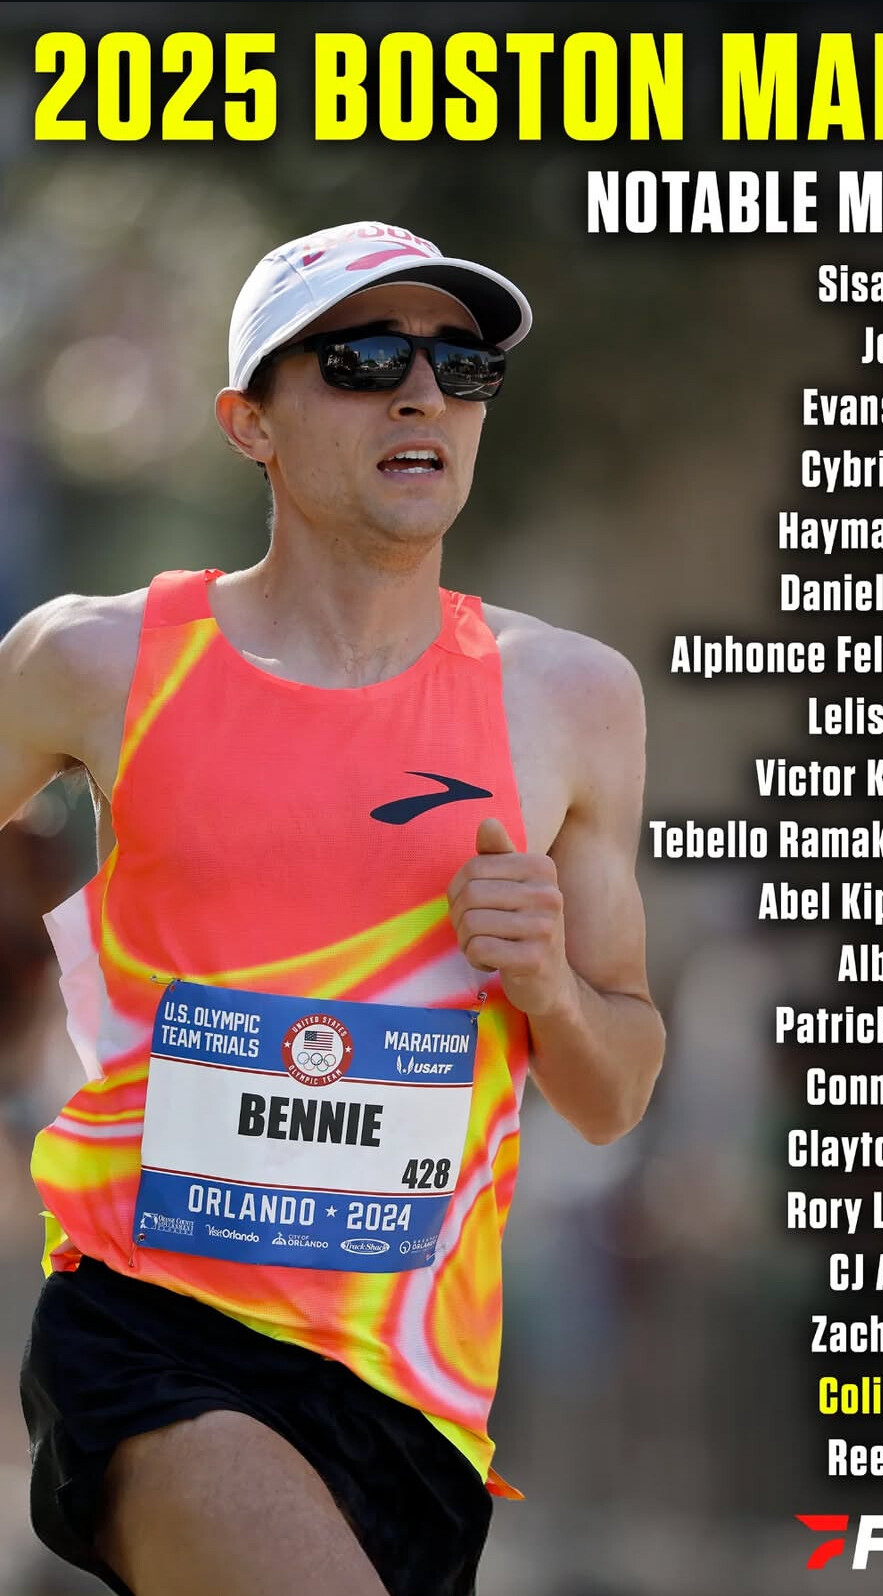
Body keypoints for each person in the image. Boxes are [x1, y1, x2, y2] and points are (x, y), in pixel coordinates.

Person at [0, 220, 665, 1596]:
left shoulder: (569, 699)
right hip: (152, 1328)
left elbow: (614, 1095)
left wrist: (547, 984)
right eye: (364, 359)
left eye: (460, 368)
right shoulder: (94, 661)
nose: (422, 396)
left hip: (414, 1399)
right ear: (250, 423)